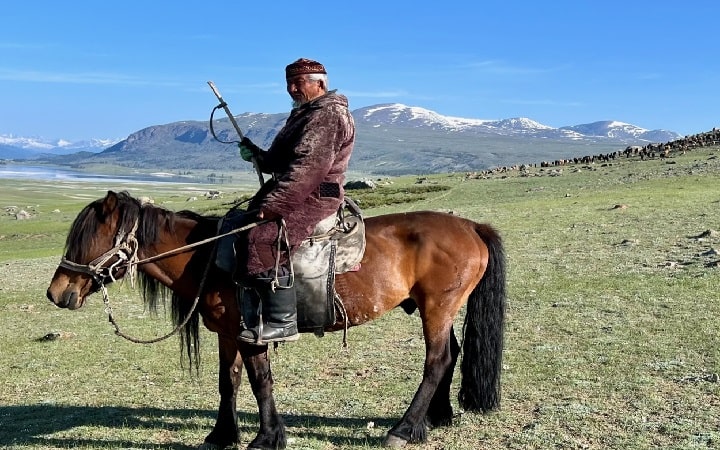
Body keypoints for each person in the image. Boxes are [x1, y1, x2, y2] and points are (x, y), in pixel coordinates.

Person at [234, 58, 356, 345]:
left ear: (320, 84)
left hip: (315, 195)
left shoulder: (326, 116)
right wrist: (257, 155)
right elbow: (280, 161)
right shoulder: (305, 113)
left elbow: (307, 170)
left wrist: (273, 206)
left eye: (298, 83)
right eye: (288, 83)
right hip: (298, 190)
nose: (291, 89)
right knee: (237, 225)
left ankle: (282, 322)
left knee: (263, 238)